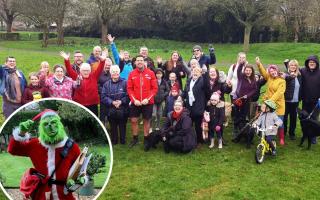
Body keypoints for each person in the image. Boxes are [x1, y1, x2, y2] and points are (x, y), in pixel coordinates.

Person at [8, 109, 85, 199]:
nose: (50, 127)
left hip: (64, 194)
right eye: (46, 124)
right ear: (41, 128)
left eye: (53, 122)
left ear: (60, 125)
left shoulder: (72, 147)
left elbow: (80, 169)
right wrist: (21, 133)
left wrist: (80, 179)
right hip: (41, 194)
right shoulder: (35, 144)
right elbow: (13, 150)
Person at [61, 50, 107, 116]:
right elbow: (69, 70)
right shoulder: (77, 77)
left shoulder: (94, 76)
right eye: (84, 70)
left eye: (87, 70)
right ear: (80, 71)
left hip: (92, 104)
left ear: (90, 70)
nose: (86, 72)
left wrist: (102, 61)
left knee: (93, 122)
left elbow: (100, 68)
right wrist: (66, 60)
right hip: (79, 104)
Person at [127, 55, 158, 151]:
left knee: (147, 120)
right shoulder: (131, 74)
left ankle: (146, 139)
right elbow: (129, 88)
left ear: (144, 62)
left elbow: (154, 88)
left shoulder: (151, 73)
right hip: (135, 102)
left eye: (141, 60)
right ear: (135, 63)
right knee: (134, 120)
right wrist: (134, 100)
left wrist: (148, 99)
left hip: (147, 102)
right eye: (138, 61)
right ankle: (135, 138)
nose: (139, 62)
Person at [256, 57, 286, 145]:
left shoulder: (282, 81)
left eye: (274, 71)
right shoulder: (269, 77)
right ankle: (267, 136)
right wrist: (259, 64)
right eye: (271, 71)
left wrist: (269, 102)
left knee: (279, 122)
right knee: (267, 120)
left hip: (278, 105)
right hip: (268, 104)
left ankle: (281, 138)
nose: (273, 73)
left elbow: (279, 93)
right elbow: (263, 73)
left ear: (277, 70)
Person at [101, 65, 129, 145]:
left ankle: (123, 140)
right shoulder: (106, 84)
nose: (115, 73)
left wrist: (121, 101)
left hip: (123, 109)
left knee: (122, 125)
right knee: (113, 126)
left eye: (116, 71)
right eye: (113, 71)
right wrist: (112, 102)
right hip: (111, 109)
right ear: (110, 73)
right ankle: (114, 140)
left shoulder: (125, 82)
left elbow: (128, 95)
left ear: (119, 72)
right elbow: (103, 96)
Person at [231, 65, 257, 147]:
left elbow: (254, 89)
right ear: (244, 71)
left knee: (243, 116)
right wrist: (241, 64)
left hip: (246, 101)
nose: (248, 72)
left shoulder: (253, 79)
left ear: (252, 71)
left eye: (250, 70)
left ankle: (241, 133)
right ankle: (236, 132)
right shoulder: (241, 76)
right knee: (237, 116)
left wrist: (247, 95)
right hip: (239, 100)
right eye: (247, 70)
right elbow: (238, 70)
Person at [183, 66, 206, 145]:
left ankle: (199, 140)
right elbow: (185, 91)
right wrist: (181, 96)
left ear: (200, 74)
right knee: (188, 125)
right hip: (189, 107)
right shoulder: (189, 81)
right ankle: (189, 139)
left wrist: (205, 74)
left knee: (198, 126)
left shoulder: (202, 81)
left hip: (198, 106)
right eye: (193, 71)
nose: (195, 73)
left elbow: (206, 86)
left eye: (197, 71)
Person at [300, 55, 320, 144]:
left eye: (313, 62)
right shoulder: (303, 71)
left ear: (316, 63)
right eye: (310, 62)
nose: (311, 64)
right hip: (305, 100)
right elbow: (292, 70)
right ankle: (305, 134)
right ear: (307, 63)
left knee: (314, 118)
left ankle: (313, 137)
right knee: (304, 117)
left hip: (316, 101)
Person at [282, 59, 301, 140]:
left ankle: (292, 133)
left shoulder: (299, 75)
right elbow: (287, 78)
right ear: (289, 66)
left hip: (296, 101)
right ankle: (284, 132)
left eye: (294, 65)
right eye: (291, 65)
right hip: (287, 100)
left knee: (293, 118)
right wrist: (290, 75)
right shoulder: (286, 75)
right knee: (285, 118)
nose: (293, 67)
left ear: (297, 67)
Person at [98, 57, 112, 126]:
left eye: (109, 65)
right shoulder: (99, 73)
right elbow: (97, 84)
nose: (107, 67)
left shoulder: (113, 73)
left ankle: (109, 124)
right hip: (103, 96)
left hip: (112, 96)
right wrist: (103, 91)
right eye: (106, 65)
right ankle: (103, 126)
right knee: (103, 112)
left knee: (110, 112)